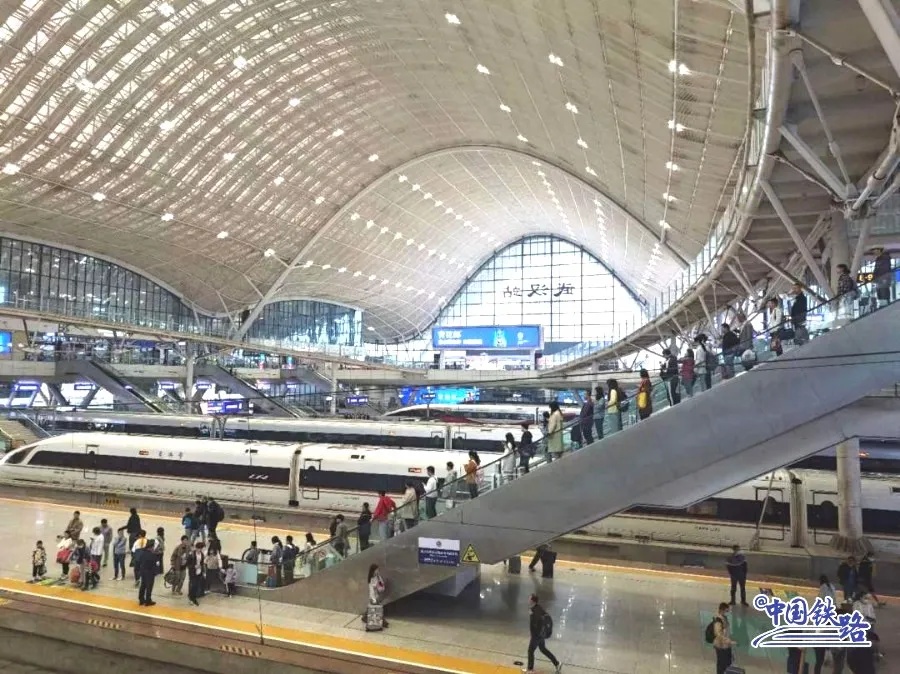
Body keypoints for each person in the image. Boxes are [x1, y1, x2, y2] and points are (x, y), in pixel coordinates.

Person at [525, 593, 561, 674]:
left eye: (529, 598)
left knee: (530, 651)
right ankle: (557, 663)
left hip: (536, 635)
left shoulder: (534, 611)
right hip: (541, 634)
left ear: (532, 601)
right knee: (543, 649)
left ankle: (530, 670)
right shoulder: (538, 607)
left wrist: (532, 615)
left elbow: (536, 622)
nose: (528, 599)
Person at [711, 602, 735, 674]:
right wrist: (729, 641)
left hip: (725, 645)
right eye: (726, 611)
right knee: (722, 664)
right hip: (721, 645)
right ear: (722, 610)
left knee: (727, 662)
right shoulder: (718, 620)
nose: (728, 612)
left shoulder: (724, 618)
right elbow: (718, 634)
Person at [134, 537, 157, 607]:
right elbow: (154, 565)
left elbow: (139, 561)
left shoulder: (142, 553)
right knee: (149, 587)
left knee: (143, 586)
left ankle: (141, 600)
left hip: (143, 571)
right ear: (151, 547)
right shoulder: (152, 555)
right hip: (150, 573)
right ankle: (148, 600)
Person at [365, 563, 388, 628]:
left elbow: (381, 584)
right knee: (378, 610)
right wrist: (373, 599)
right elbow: (371, 590)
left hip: (378, 595)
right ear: (373, 570)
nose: (377, 571)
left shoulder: (378, 577)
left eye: (378, 570)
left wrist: (380, 581)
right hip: (373, 597)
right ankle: (384, 623)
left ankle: (364, 617)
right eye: (376, 570)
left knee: (374, 609)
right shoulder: (371, 579)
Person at [188, 541, 205, 606]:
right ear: (196, 548)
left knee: (196, 585)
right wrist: (194, 566)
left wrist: (202, 568)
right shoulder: (192, 554)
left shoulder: (202, 554)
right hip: (192, 572)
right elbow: (188, 564)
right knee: (193, 585)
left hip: (199, 572)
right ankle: (192, 599)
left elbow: (202, 563)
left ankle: (192, 597)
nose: (199, 550)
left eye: (201, 548)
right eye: (198, 548)